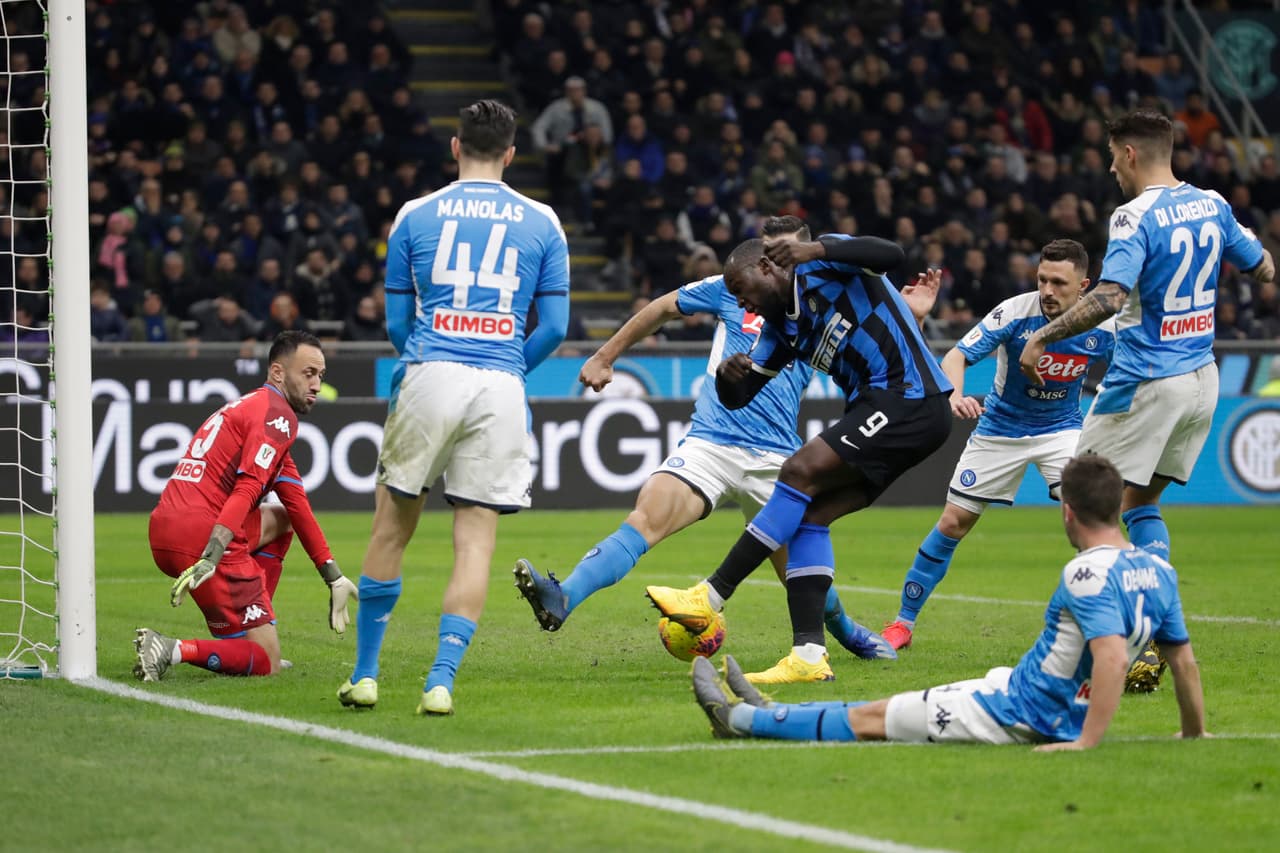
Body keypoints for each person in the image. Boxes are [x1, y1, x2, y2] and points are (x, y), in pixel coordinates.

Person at [514, 217, 931, 661]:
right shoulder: (730, 289)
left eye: (784, 253)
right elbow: (662, 307)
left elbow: (875, 328)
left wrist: (911, 315)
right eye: (769, 252)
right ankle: (564, 596)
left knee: (802, 571)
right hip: (712, 441)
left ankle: (846, 632)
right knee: (646, 517)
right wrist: (604, 354)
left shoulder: (823, 296)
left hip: (777, 457)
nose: (776, 261)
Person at [692, 454, 1206, 749]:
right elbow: (1182, 660)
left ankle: (741, 721)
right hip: (1017, 690)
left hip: (1017, 712)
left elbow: (1113, 658)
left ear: (1067, 512)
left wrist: (1085, 743)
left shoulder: (1086, 572)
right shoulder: (1158, 570)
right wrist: (1193, 732)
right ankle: (767, 712)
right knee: (887, 707)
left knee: (872, 719)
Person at [338, 100, 570, 716]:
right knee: (474, 545)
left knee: (391, 528)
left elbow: (395, 321)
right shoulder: (542, 220)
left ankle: (365, 676)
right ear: (512, 154)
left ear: (455, 147)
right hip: (500, 383)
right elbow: (556, 326)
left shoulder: (415, 214)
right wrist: (509, 363)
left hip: (430, 370)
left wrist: (426, 360)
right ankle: (440, 681)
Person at [646, 233, 954, 684]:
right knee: (809, 515)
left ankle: (709, 597)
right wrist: (731, 379)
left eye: (743, 290)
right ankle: (808, 654)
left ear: (768, 268)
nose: (744, 305)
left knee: (797, 471)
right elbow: (740, 396)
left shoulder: (823, 264)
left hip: (910, 397)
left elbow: (893, 255)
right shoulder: (779, 331)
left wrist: (816, 249)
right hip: (885, 410)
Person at [1019, 109, 1274, 562]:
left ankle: (1100, 618)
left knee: (1080, 502)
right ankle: (1159, 618)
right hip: (1201, 381)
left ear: (1131, 154)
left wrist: (1042, 337)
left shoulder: (1133, 216)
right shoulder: (1214, 204)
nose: (1112, 168)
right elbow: (1264, 269)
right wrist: (1249, 237)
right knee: (1140, 502)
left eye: (1114, 157)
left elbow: (1109, 297)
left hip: (1145, 381)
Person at [882, 239, 1116, 650]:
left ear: (1084, 285)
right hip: (1000, 430)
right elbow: (957, 355)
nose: (1047, 290)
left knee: (1088, 520)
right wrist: (955, 395)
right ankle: (902, 624)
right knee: (953, 522)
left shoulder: (1103, 325)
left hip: (1061, 430)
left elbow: (1132, 368)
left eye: (1059, 282)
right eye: (1042, 279)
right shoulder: (1015, 311)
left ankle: (1111, 624)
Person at [135, 331, 358, 680]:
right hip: (204, 536)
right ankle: (172, 648)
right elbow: (247, 487)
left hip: (164, 527)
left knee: (282, 519)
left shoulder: (250, 407)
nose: (316, 384)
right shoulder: (278, 416)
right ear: (278, 373)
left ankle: (252, 629)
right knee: (265, 663)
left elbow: (298, 508)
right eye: (308, 373)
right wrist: (212, 553)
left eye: (321, 375)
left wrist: (333, 575)